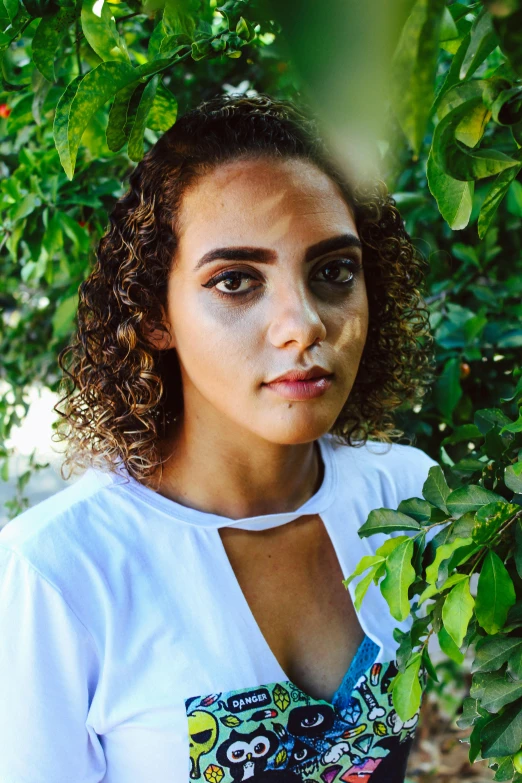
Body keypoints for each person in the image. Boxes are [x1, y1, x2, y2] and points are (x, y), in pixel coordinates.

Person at [0, 92, 438, 783]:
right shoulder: (59, 574)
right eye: (236, 280)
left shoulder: (410, 498)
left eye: (333, 272)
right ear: (153, 315)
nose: (304, 325)